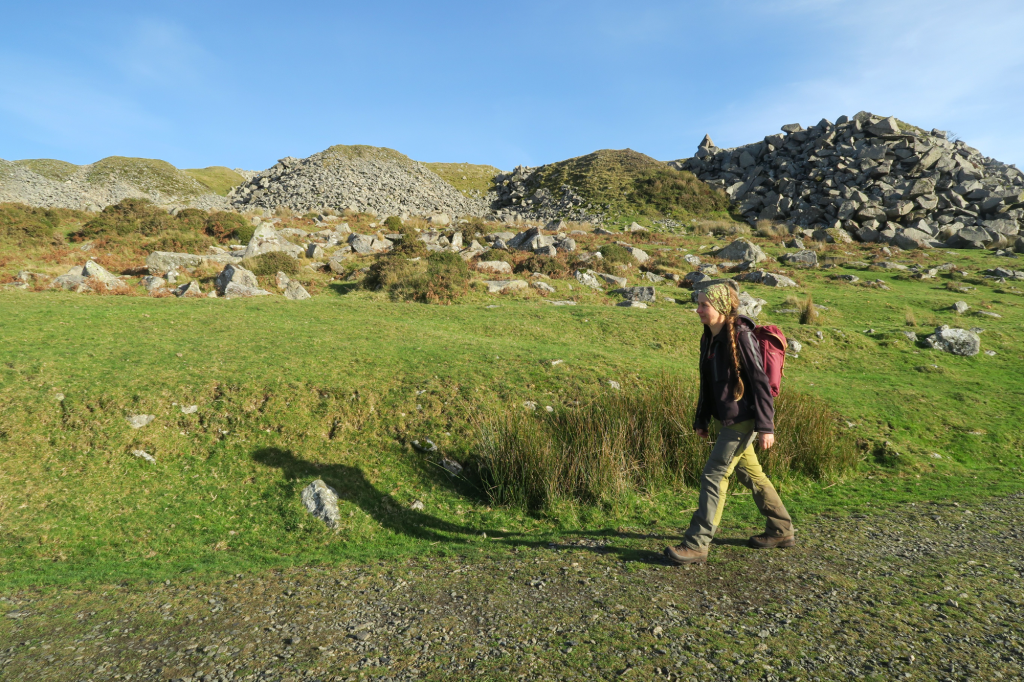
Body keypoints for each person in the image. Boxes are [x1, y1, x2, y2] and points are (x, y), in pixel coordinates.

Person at [665, 283, 795, 565]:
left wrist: (766, 426)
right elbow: (707, 383)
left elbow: (759, 383)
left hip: (743, 418)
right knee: (751, 475)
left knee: (714, 475)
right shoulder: (708, 336)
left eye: (703, 306)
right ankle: (781, 529)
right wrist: (701, 419)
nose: (697, 310)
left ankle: (697, 544)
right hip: (728, 418)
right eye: (698, 304)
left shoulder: (742, 335)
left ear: (722, 308)